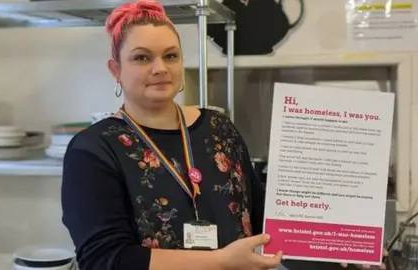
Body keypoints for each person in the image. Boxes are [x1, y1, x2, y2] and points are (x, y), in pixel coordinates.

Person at [60, 1, 387, 270]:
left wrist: (337, 249)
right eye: (142, 57)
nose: (160, 68)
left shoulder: (219, 129)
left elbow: (266, 224)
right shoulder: (94, 149)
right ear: (115, 69)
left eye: (170, 56)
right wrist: (219, 262)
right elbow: (105, 259)